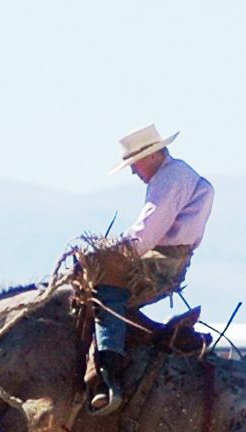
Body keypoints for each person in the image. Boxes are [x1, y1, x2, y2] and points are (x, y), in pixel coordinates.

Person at [90, 124, 215, 416]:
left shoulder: (170, 180)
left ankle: (111, 373)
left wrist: (109, 254)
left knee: (105, 290)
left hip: (161, 261)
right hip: (169, 259)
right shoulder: (176, 175)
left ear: (151, 156)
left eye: (134, 164)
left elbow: (146, 233)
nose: (134, 172)